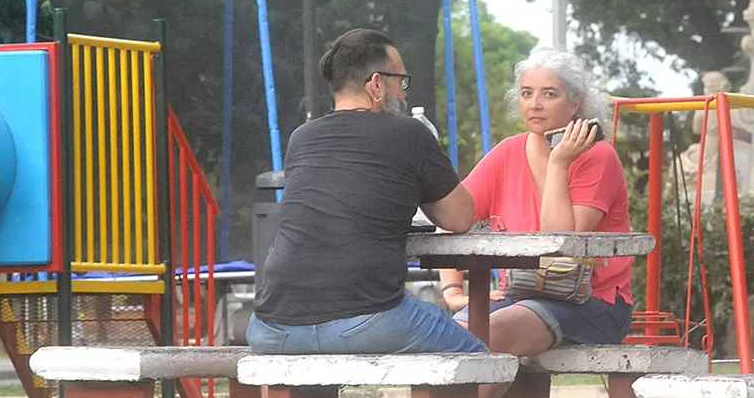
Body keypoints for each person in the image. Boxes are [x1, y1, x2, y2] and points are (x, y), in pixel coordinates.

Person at [249, 28, 485, 354]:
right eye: (400, 83)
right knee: (480, 363)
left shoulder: (301, 138)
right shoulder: (409, 134)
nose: (403, 95)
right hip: (366, 319)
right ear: (376, 84)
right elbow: (460, 218)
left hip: (271, 328)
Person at [439, 47, 635, 370]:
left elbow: (560, 241)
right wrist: (453, 291)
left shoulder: (598, 157)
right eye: (526, 93)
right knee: (450, 336)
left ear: (575, 102)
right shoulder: (506, 153)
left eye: (549, 94)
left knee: (491, 334)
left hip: (593, 303)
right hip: (518, 296)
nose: (535, 104)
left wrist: (558, 164)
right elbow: (450, 217)